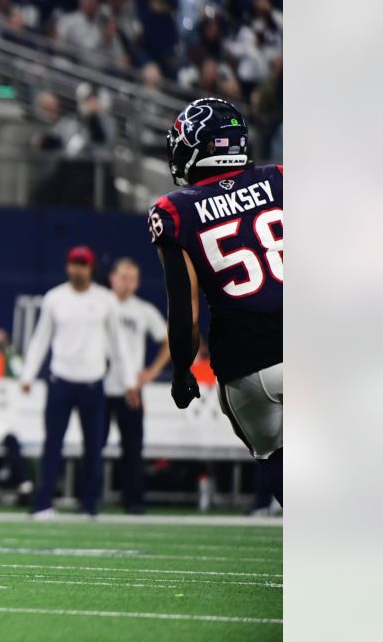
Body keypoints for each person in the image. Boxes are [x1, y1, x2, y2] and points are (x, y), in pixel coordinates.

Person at [148, 97, 283, 504]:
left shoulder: (175, 210)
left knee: (278, 461)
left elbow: (186, 314)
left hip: (248, 362)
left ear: (201, 148)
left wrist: (182, 371)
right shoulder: (281, 178)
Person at [18, 246, 135, 518]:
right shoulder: (55, 298)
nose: (76, 269)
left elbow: (119, 344)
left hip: (93, 383)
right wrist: (27, 374)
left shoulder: (106, 300)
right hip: (61, 381)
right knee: (52, 444)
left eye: (81, 264)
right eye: (73, 263)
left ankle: (90, 505)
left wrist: (129, 380)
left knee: (93, 446)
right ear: (67, 266)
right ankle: (44, 502)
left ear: (90, 268)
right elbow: (40, 338)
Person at [103, 257, 171, 514]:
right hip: (99, 386)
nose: (127, 282)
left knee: (132, 447)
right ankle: (88, 499)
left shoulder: (142, 310)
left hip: (130, 389)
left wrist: (150, 373)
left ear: (138, 282)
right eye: (123, 276)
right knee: (93, 444)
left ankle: (133, 500)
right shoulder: (99, 304)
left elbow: (169, 341)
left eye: (132, 278)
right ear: (112, 278)